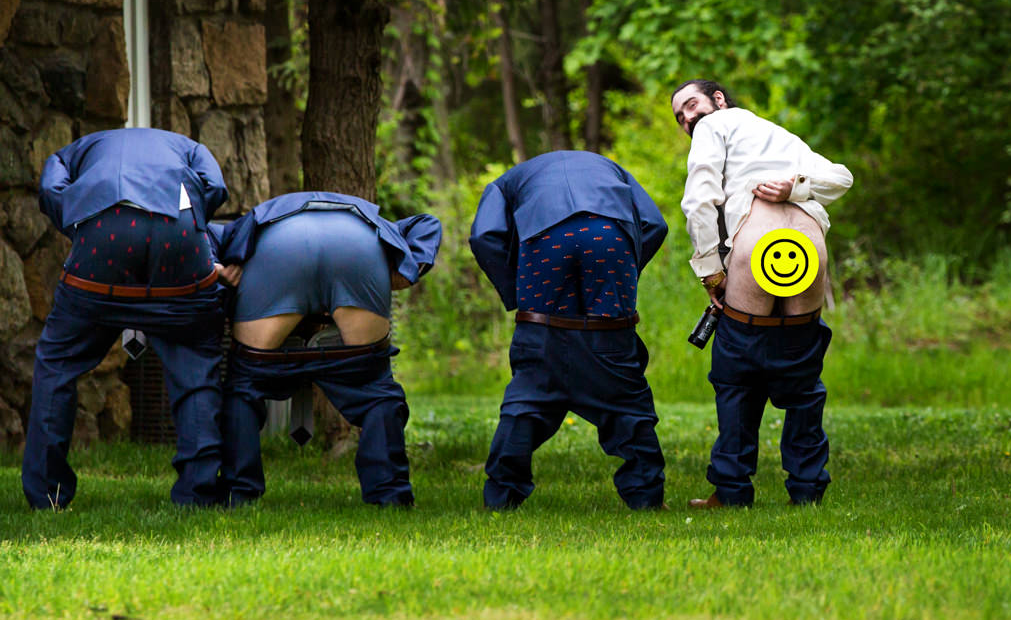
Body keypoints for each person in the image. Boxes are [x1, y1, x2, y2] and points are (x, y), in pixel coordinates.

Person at [24, 127, 232, 508]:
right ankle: (197, 494)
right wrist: (188, 218)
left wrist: (78, 227)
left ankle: (46, 495)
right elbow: (215, 187)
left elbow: (52, 191)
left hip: (104, 237)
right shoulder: (188, 146)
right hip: (179, 235)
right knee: (196, 362)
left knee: (57, 364)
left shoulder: (75, 151)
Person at [672, 79, 853, 509]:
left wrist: (709, 272)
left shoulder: (713, 128)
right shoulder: (781, 137)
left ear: (718, 100)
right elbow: (842, 178)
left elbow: (698, 200)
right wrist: (797, 189)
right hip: (809, 252)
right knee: (803, 383)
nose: (688, 118)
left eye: (691, 105)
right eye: (680, 116)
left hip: (754, 245)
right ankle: (807, 491)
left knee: (737, 377)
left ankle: (732, 492)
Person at [210, 192, 442, 507]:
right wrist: (409, 267)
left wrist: (216, 266)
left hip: (278, 252)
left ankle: (240, 493)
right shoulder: (380, 224)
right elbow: (428, 224)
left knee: (245, 385)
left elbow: (206, 232)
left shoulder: (252, 219)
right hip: (357, 249)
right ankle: (390, 496)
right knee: (375, 388)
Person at [469, 150, 669, 512]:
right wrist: (622, 270)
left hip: (544, 241)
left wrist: (515, 292)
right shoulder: (614, 168)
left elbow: (484, 235)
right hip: (611, 236)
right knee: (617, 359)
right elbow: (655, 224)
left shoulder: (506, 181)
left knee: (534, 367)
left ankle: (502, 497)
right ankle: (646, 496)